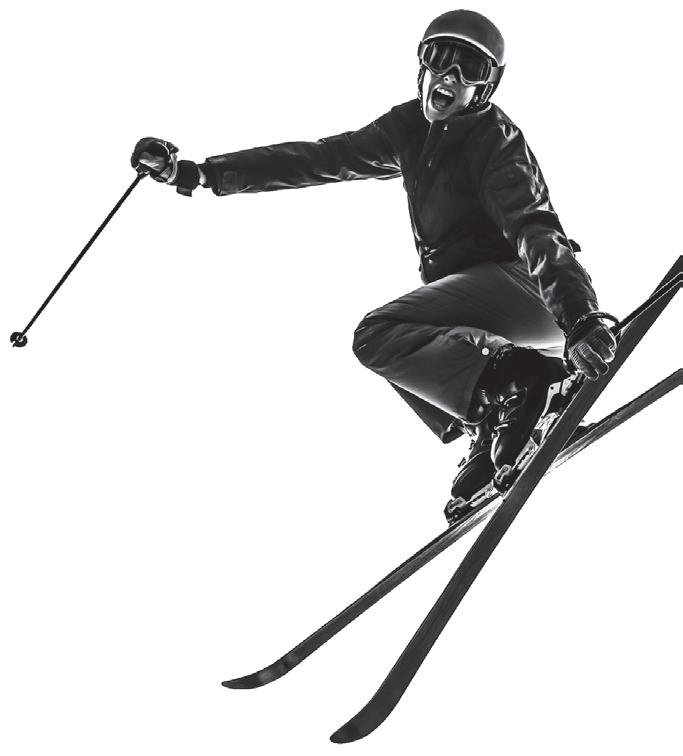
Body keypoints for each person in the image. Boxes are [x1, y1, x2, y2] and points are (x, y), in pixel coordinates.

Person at [131, 9, 617, 524]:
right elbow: (316, 159)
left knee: (379, 333)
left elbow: (534, 228)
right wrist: (199, 173)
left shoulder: (494, 141)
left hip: (534, 292)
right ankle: (498, 418)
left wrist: (580, 317)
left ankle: (528, 385)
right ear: (421, 66)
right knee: (411, 344)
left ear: (486, 88)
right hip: (496, 307)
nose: (450, 77)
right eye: (440, 59)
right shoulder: (408, 130)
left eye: (469, 68)